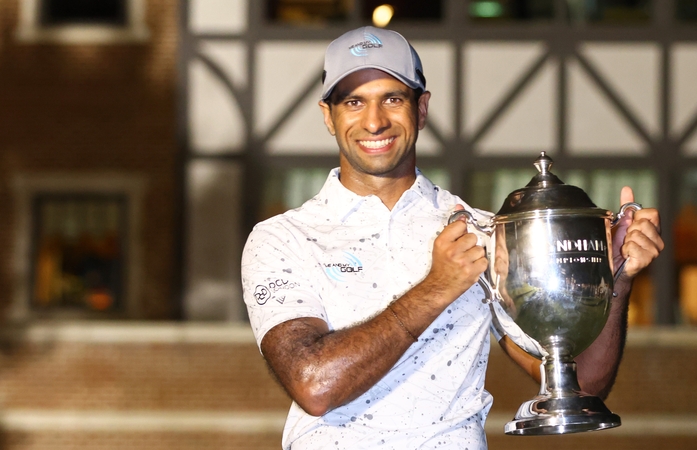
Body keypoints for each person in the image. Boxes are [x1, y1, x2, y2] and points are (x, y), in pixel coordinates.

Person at [241, 26, 663, 450]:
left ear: (421, 109)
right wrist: (437, 287)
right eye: (354, 102)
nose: (374, 121)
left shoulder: (484, 231)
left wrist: (614, 283)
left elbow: (583, 385)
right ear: (328, 116)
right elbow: (315, 385)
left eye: (393, 98)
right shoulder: (283, 238)